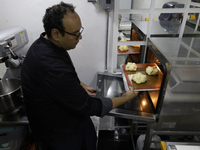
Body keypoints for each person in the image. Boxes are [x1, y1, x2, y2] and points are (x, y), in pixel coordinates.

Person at [21, 2, 138, 150]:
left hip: (66, 118)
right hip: (60, 134)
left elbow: (64, 76)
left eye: (80, 31)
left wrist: (80, 85)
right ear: (56, 34)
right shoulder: (51, 66)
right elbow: (89, 106)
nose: (80, 37)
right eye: (76, 34)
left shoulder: (44, 43)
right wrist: (125, 98)